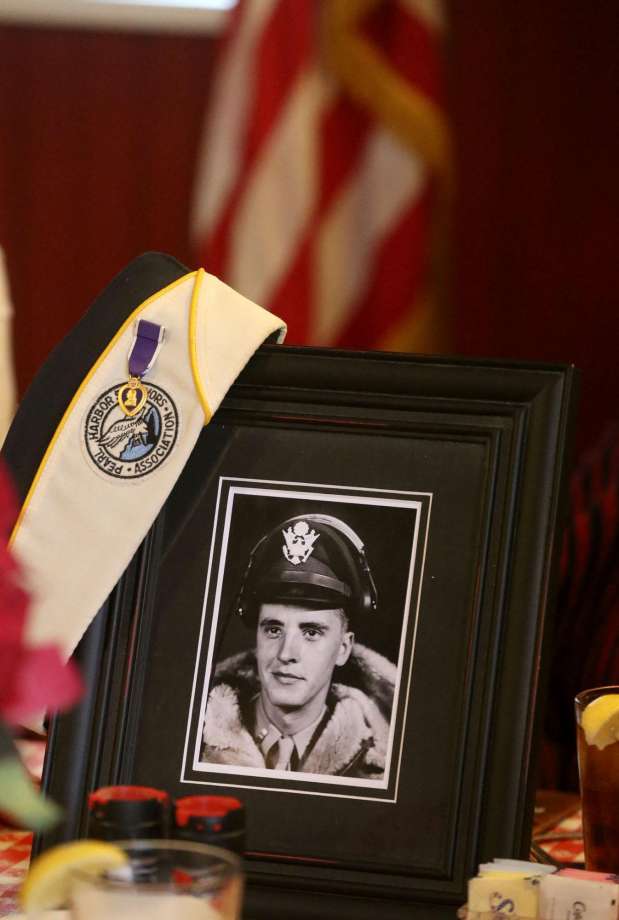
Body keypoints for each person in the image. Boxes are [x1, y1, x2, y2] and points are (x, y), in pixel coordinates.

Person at [201, 514, 397, 779]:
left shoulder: (385, 763)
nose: (286, 654)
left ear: (343, 648)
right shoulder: (193, 735)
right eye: (273, 629)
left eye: (311, 632)